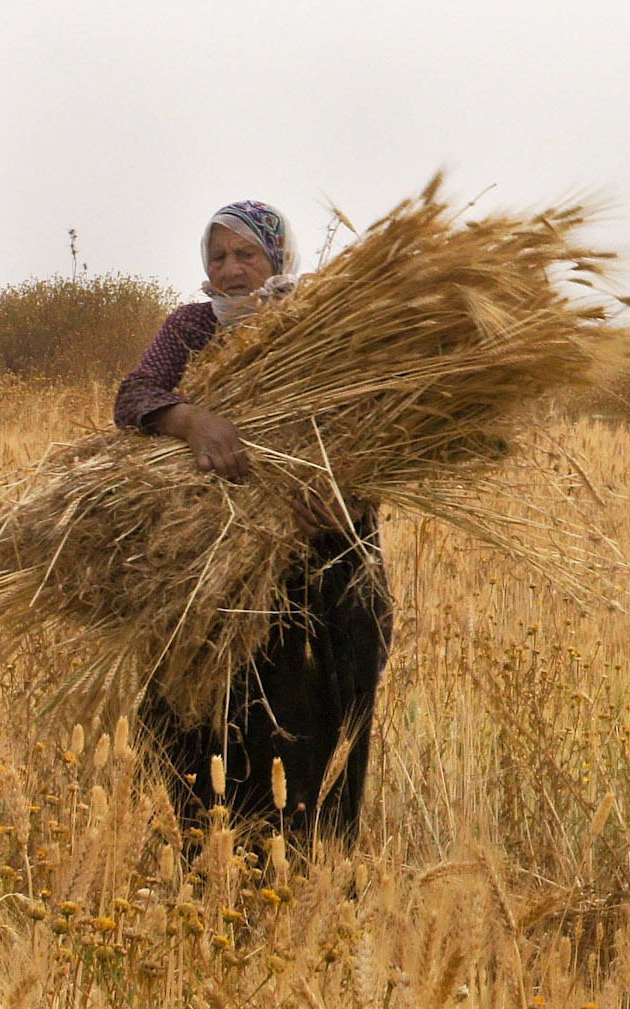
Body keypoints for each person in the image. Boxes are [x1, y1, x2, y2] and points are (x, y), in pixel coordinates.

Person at [114, 200, 390, 845]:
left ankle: (305, 893)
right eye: (219, 256)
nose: (232, 269)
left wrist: (332, 490)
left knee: (308, 733)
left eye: (247, 254)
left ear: (279, 256)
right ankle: (200, 883)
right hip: (208, 569)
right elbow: (135, 396)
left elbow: (382, 426)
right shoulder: (193, 327)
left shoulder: (323, 326)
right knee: (199, 727)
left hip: (320, 563)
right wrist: (194, 422)